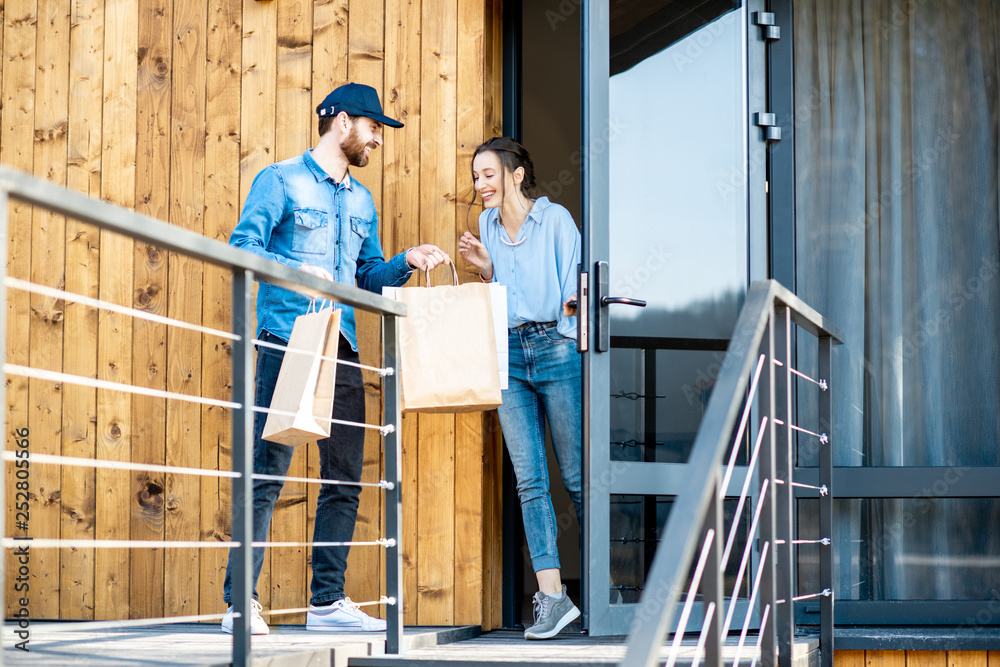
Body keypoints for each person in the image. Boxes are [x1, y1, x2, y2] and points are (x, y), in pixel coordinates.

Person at [222, 82, 450, 635]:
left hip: (343, 347)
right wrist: (297, 272)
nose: (377, 140)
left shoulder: (363, 202)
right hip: (286, 338)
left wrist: (405, 261)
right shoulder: (280, 180)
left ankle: (326, 602)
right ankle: (238, 606)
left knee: (345, 475)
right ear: (343, 123)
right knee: (267, 475)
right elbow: (241, 248)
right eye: (374, 129)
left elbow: (365, 278)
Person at [458, 137, 582, 640]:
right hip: (507, 354)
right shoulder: (486, 225)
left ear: (514, 174)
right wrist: (486, 270)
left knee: (576, 476)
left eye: (487, 174)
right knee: (530, 481)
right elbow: (502, 290)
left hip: (555, 348)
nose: (479, 185)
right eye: (475, 177)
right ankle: (553, 598)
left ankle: (613, 587)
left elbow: (573, 289)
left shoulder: (556, 221)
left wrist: (572, 346)